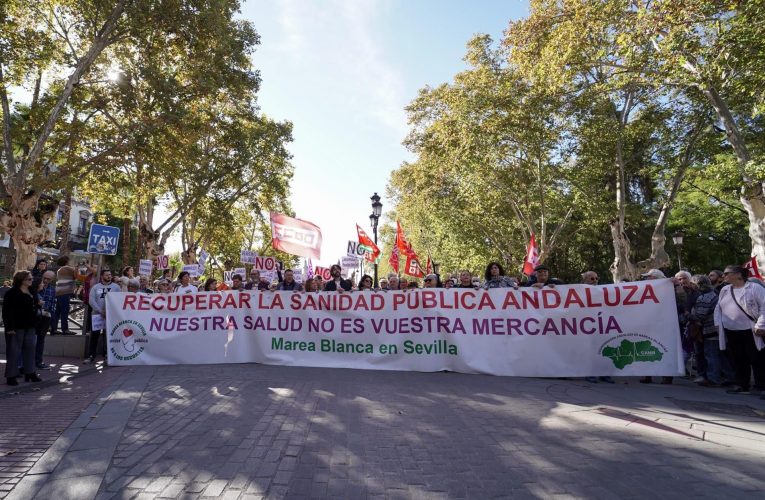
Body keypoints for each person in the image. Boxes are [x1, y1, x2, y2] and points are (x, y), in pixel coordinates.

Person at [713, 265, 765, 395]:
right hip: (731, 330)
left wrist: (761, 325)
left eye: (726, 273)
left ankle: (762, 386)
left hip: (751, 330)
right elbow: (718, 308)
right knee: (738, 358)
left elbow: (764, 307)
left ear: (738, 275)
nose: (724, 276)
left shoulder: (755, 288)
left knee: (757, 358)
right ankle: (742, 384)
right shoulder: (725, 289)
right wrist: (718, 324)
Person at [689, 274, 733, 387]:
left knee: (711, 355)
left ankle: (714, 379)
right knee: (720, 356)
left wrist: (688, 314)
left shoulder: (705, 297)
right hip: (715, 330)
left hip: (710, 330)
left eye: (692, 283)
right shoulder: (713, 294)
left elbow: (699, 316)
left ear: (697, 285)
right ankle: (730, 377)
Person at [4, 271, 43, 385]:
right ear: (22, 280)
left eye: (31, 279)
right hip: (16, 326)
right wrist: (9, 327)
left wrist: (38, 305)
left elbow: (33, 305)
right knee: (14, 351)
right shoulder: (12, 293)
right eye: (29, 279)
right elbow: (7, 311)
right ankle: (11, 376)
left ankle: (30, 373)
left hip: (30, 325)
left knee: (30, 350)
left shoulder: (32, 291)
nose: (31, 281)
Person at [581, 271, 614, 384]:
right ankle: (590, 374)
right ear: (585, 280)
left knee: (605, 349)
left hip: (603, 325)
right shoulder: (578, 291)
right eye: (592, 279)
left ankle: (605, 374)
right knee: (591, 352)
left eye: (596, 278)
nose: (595, 281)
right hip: (587, 326)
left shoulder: (603, 291)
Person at [87, 270, 121, 364]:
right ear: (102, 276)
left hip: (110, 316)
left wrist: (109, 311)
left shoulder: (116, 287)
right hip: (97, 315)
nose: (109, 276)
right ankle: (91, 356)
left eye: (110, 274)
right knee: (94, 335)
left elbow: (119, 300)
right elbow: (91, 300)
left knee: (108, 335)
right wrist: (100, 311)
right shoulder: (95, 287)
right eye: (107, 275)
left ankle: (106, 355)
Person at [34, 271, 56, 371]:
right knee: (31, 339)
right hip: (35, 316)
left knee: (41, 339)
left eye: (48, 279)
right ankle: (29, 362)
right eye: (44, 278)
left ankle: (39, 361)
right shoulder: (36, 286)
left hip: (46, 317)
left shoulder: (52, 289)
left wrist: (50, 315)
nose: (46, 280)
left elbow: (52, 303)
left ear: (52, 280)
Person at [50, 255, 76, 335]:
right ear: (67, 261)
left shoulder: (60, 269)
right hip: (65, 292)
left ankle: (53, 329)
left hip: (59, 292)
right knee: (65, 311)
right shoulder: (67, 268)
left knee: (57, 312)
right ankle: (65, 329)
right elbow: (76, 275)